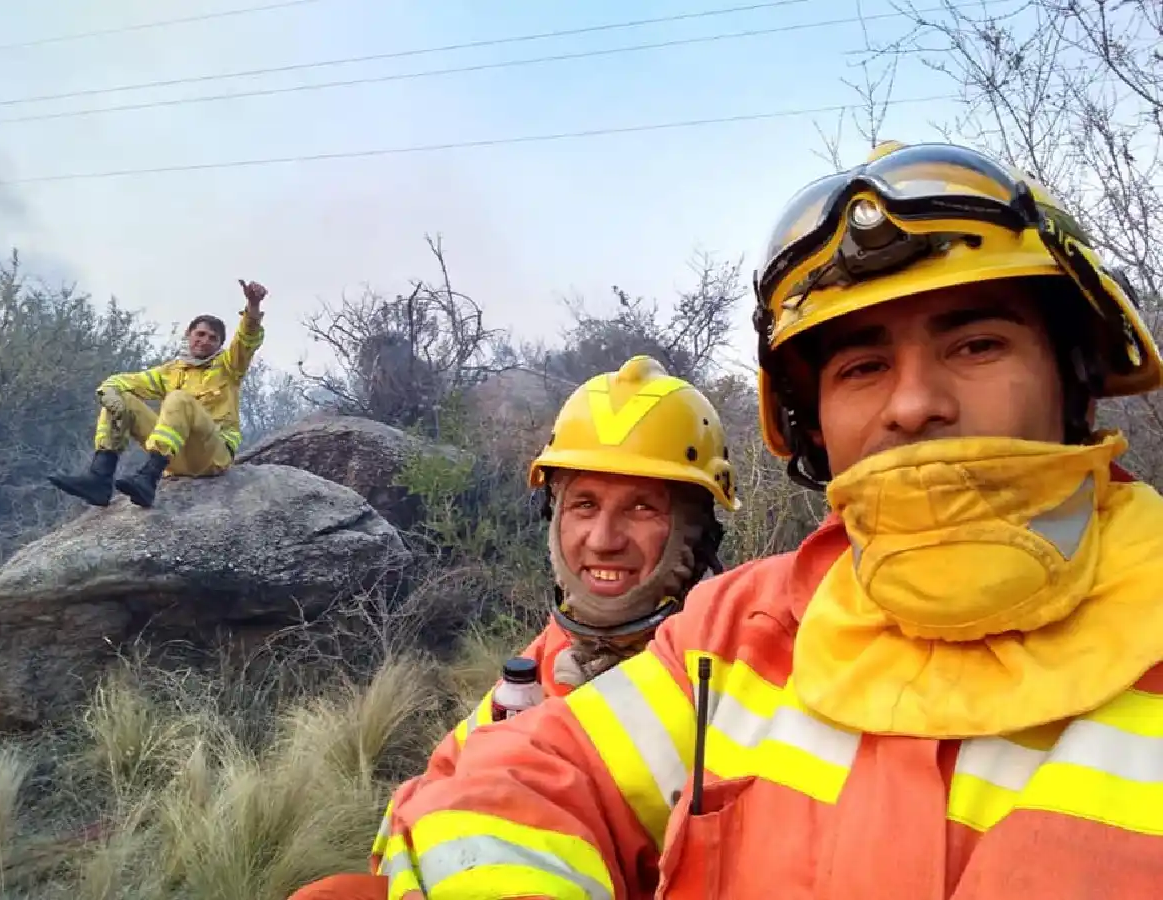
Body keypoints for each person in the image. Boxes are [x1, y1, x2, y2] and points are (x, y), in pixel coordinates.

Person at [333, 140, 1163, 899]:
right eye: (865, 365)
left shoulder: (727, 628)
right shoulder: (730, 641)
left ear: (1076, 371)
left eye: (977, 344)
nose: (914, 403)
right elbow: (491, 791)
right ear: (814, 424)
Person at [287, 355, 740, 900]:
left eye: (642, 508)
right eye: (584, 505)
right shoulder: (550, 658)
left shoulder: (733, 669)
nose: (602, 538)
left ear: (695, 534)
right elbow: (430, 797)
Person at [48, 278, 267, 509]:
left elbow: (247, 339)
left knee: (178, 398)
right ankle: (99, 477)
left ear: (221, 344)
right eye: (200, 334)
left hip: (212, 456)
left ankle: (149, 476)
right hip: (177, 461)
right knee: (120, 398)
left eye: (213, 338)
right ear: (188, 335)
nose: (204, 341)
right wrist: (108, 391)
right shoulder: (170, 372)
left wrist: (253, 305)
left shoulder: (229, 367)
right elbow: (125, 381)